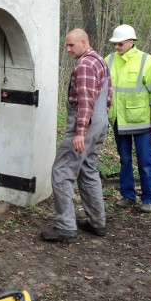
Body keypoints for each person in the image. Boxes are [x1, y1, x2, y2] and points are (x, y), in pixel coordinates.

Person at [41, 29, 112, 241]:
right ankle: (97, 222)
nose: (68, 49)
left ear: (83, 42)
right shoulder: (99, 60)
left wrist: (80, 132)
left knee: (62, 171)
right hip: (99, 122)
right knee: (87, 169)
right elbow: (106, 98)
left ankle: (65, 227)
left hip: (85, 124)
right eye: (67, 45)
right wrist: (97, 124)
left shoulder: (85, 65)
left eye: (71, 45)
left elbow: (86, 100)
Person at [105, 24, 151, 213]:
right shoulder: (109, 60)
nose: (116, 47)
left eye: (120, 44)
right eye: (115, 44)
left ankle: (147, 198)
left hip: (141, 121)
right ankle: (128, 195)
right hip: (119, 120)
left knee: (145, 161)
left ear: (131, 42)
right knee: (125, 160)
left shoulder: (147, 61)